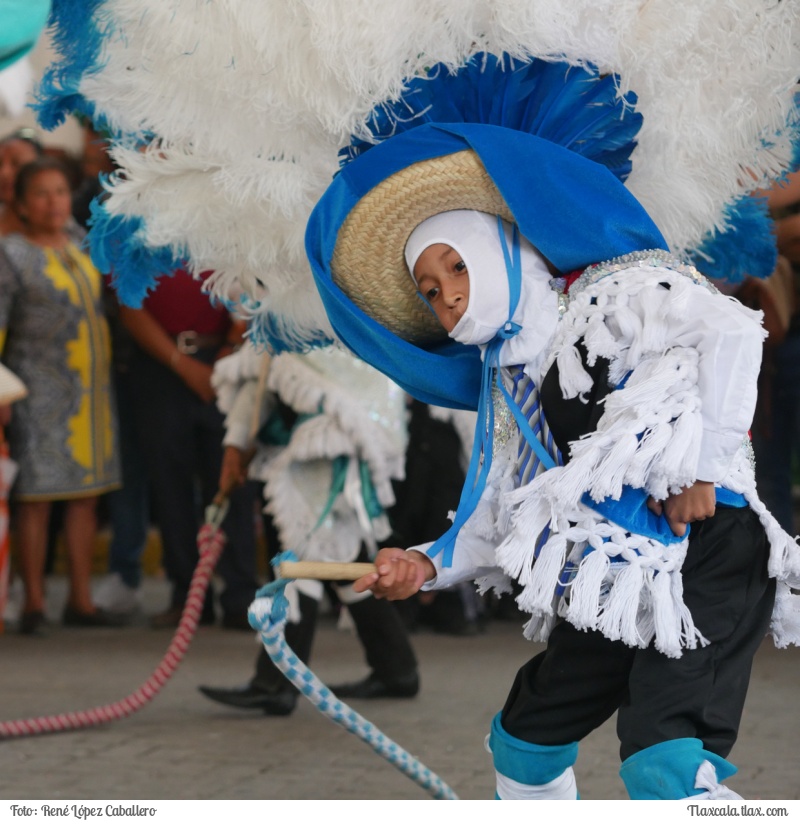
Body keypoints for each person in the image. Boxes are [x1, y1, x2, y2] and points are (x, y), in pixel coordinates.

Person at [304, 121, 800, 800]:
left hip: (709, 547)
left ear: (502, 247)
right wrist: (421, 564)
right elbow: (496, 512)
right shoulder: (506, 383)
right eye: (427, 288)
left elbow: (734, 333)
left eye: (456, 265)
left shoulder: (612, 292)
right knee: (524, 743)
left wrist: (701, 469)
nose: (446, 292)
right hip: (616, 570)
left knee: (664, 766)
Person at [197, 344, 419, 715]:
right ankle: (396, 668)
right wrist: (236, 444)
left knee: (304, 551)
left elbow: (268, 369)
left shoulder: (302, 303)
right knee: (339, 554)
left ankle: (276, 683)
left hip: (332, 439)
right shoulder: (299, 307)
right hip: (341, 435)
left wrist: (237, 444)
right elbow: (265, 371)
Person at [0, 156, 122, 634]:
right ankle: (32, 601)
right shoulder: (10, 254)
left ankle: (81, 599)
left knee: (86, 497)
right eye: (42, 194)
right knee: (37, 498)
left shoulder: (80, 243)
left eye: (60, 192)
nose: (54, 202)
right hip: (37, 391)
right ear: (23, 204)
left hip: (91, 390)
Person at [118, 270, 260, 629]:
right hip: (159, 364)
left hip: (225, 358)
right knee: (170, 485)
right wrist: (183, 366)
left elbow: (253, 290)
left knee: (232, 481)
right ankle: (186, 595)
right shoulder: (136, 227)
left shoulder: (225, 225)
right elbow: (129, 306)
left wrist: (229, 348)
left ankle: (241, 593)